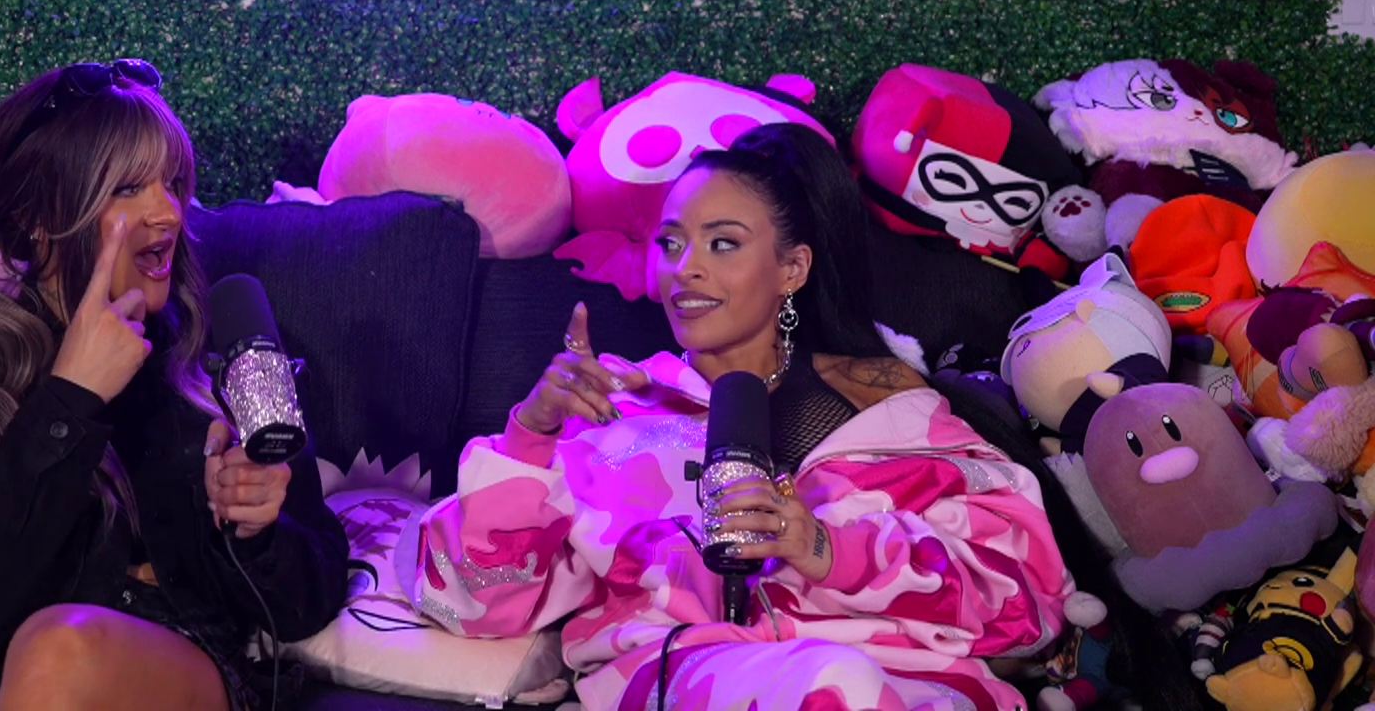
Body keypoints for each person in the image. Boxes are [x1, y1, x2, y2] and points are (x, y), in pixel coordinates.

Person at [414, 122, 1085, 711]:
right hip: (700, 680)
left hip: (913, 686)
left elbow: (1026, 597)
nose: (686, 269)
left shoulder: (888, 406)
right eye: (670, 244)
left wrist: (825, 549)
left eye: (723, 244)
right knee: (835, 682)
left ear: (792, 268)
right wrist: (530, 437)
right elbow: (473, 603)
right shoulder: (611, 415)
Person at [0, 60, 349, 711]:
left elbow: (310, 602)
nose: (168, 211)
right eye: (128, 189)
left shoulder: (220, 356)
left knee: (61, 651)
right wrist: (68, 400)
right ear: (39, 217)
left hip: (178, 672)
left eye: (173, 183)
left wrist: (259, 530)